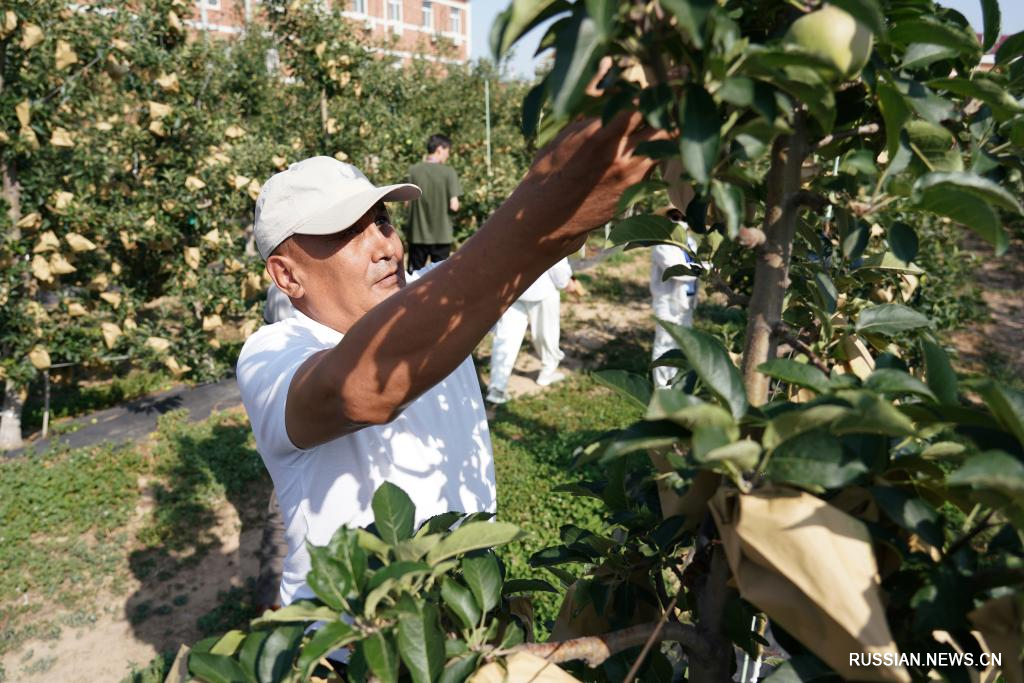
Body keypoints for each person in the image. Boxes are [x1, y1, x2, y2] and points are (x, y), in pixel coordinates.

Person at [235, 113, 662, 620]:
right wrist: (541, 206)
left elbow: (535, 248)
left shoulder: (431, 295)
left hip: (473, 609)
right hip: (356, 645)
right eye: (348, 233)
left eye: (382, 221)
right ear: (287, 276)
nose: (386, 246)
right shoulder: (271, 354)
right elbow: (360, 390)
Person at [486, 258, 581, 404]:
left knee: (506, 338)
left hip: (514, 287)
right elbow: (557, 263)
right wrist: (566, 282)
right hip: (543, 288)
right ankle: (547, 372)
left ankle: (497, 387)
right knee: (546, 335)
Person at [650, 209, 699, 388]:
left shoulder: (690, 243)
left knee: (682, 343)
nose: (679, 221)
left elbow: (693, 268)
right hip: (667, 303)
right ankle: (663, 389)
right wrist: (706, 268)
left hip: (687, 302)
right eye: (674, 217)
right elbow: (677, 270)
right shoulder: (662, 244)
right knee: (665, 344)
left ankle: (677, 385)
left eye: (683, 217)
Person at [405, 133, 461, 272]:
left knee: (414, 278)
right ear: (440, 149)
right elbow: (454, 205)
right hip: (442, 236)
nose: (448, 155)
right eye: (447, 151)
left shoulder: (413, 171)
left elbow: (406, 203)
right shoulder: (449, 172)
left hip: (417, 235)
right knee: (441, 278)